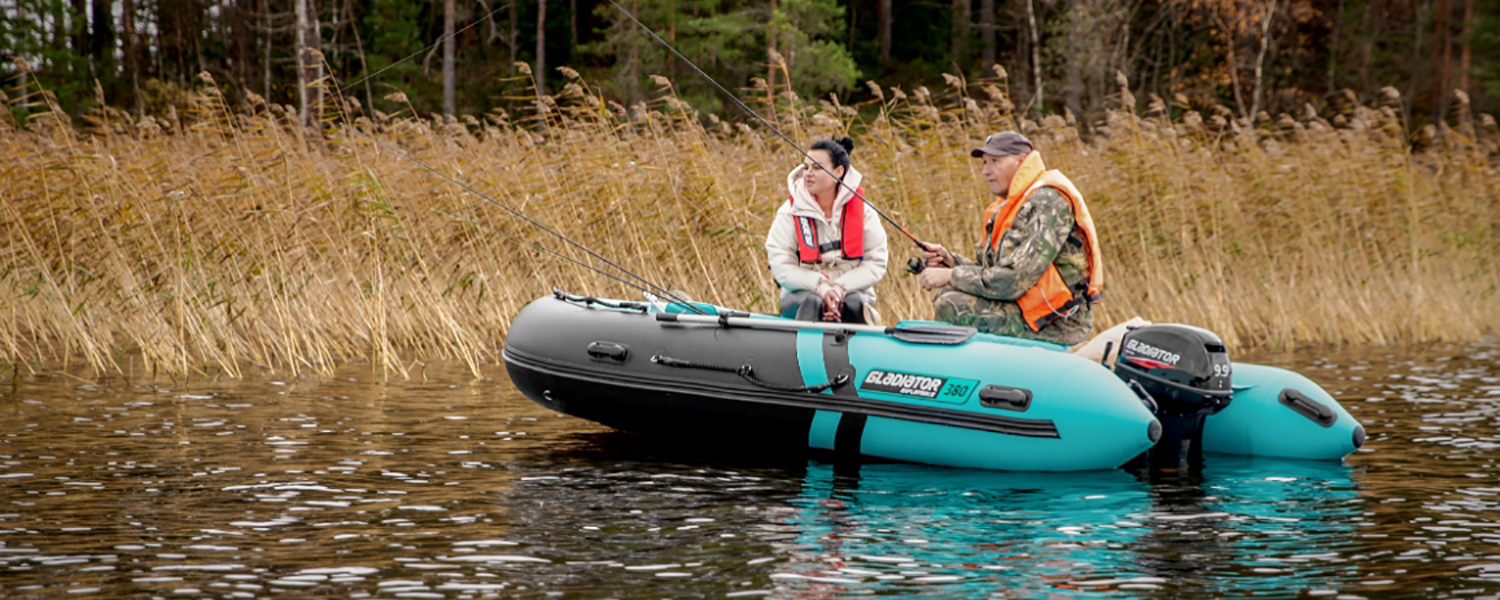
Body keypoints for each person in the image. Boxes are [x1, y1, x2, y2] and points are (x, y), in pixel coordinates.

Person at [915, 131, 1103, 345]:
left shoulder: (1047, 201)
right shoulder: (1013, 204)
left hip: (1056, 322)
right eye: (984, 163)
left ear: (1021, 161)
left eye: (995, 161)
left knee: (953, 304)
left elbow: (1013, 281)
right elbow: (995, 273)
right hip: (1028, 310)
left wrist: (951, 275)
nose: (986, 171)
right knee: (949, 294)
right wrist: (951, 261)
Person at [766, 138, 889, 323]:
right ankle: (801, 349)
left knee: (854, 305)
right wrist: (821, 287)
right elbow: (781, 264)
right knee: (812, 303)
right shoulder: (789, 212)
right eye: (806, 167)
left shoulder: (864, 211)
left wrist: (840, 289)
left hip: (853, 292)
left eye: (816, 168)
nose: (808, 173)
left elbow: (876, 262)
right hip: (804, 294)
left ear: (838, 172)